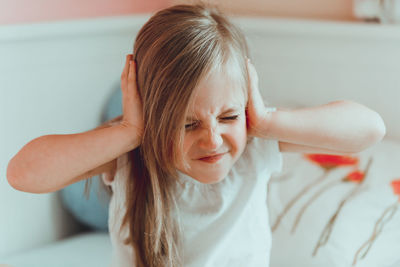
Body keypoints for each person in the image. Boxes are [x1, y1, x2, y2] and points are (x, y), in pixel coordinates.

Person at [6, 3, 386, 267]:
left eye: (228, 116)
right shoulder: (133, 149)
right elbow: (22, 173)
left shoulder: (256, 143)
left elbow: (371, 129)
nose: (213, 140)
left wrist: (266, 120)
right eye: (188, 124)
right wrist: (129, 130)